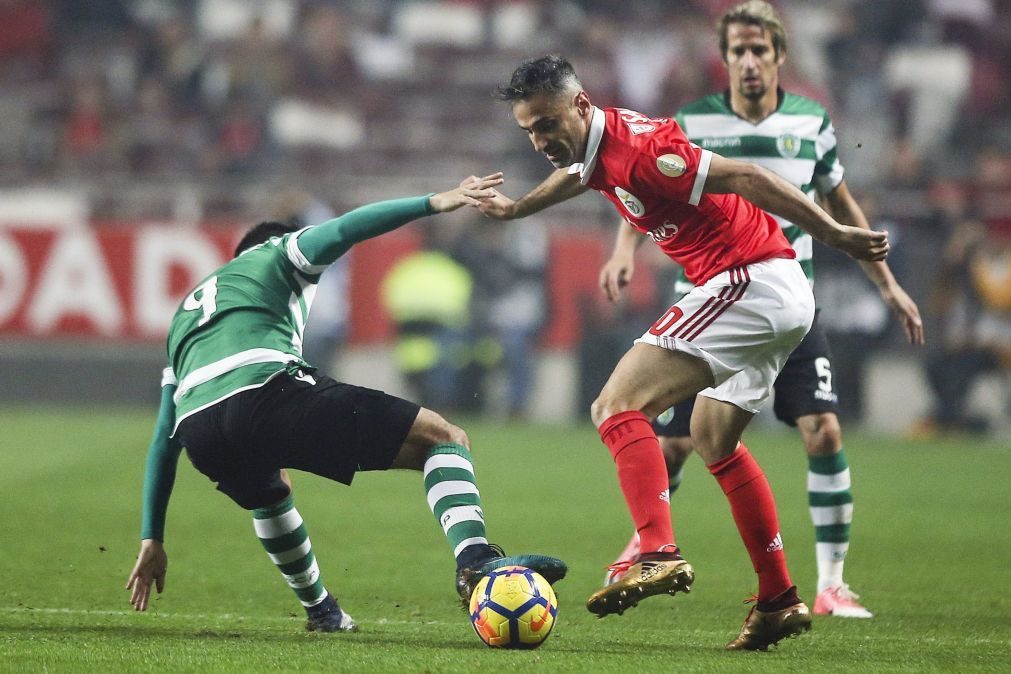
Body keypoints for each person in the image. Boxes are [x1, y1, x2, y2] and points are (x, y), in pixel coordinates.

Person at [480, 54, 888, 650]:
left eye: (546, 124)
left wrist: (833, 235)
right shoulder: (594, 147)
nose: (541, 140)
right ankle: (778, 599)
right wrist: (516, 208)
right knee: (714, 437)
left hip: (751, 280)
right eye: (530, 130)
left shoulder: (643, 152)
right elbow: (575, 176)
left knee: (616, 403)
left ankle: (657, 551)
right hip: (772, 294)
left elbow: (747, 176)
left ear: (581, 106)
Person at [125, 174, 567, 632]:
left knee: (270, 491)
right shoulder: (279, 252)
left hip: (200, 430)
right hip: (264, 389)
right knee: (444, 438)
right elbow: (348, 228)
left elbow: (164, 438)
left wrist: (151, 536)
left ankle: (323, 613)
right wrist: (436, 202)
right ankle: (475, 562)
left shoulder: (186, 317)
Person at [597, 0, 924, 620]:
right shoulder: (692, 121)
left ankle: (831, 582)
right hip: (709, 299)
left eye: (759, 51)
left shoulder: (812, 122)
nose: (748, 61)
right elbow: (641, 183)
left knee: (822, 430)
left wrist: (886, 285)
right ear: (724, 60)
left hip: (787, 297)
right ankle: (649, 547)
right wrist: (623, 250)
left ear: (779, 57)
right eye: (737, 51)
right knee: (677, 445)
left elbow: (843, 206)